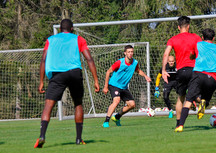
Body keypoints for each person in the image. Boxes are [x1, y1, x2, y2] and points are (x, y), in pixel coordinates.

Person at [34, 19, 100, 148]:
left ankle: (42, 136)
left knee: (48, 105)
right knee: (78, 103)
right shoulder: (78, 39)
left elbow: (43, 60)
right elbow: (89, 59)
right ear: (72, 29)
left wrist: (41, 81)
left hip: (57, 74)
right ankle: (78, 139)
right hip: (74, 73)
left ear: (59, 29)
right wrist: (96, 80)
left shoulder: (51, 40)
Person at [175, 28, 216, 132]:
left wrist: (193, 56)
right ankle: (203, 102)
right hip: (212, 78)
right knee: (205, 100)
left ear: (202, 37)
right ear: (213, 38)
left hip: (198, 75)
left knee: (188, 101)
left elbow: (192, 56)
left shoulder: (198, 44)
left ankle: (180, 125)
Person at [162, 16, 202, 127]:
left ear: (178, 27)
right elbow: (202, 52)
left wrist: (164, 70)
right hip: (194, 70)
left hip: (181, 71)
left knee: (181, 98)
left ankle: (178, 123)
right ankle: (201, 101)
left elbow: (166, 54)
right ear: (188, 26)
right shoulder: (196, 37)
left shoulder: (173, 39)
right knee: (194, 94)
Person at [102, 45, 151, 128]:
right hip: (114, 85)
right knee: (116, 101)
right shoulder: (119, 62)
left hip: (124, 87)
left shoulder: (135, 62)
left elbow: (138, 70)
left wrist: (145, 76)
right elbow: (108, 72)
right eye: (129, 52)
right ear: (125, 53)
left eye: (132, 52)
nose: (130, 53)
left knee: (132, 105)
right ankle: (106, 121)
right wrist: (105, 87)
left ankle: (117, 117)